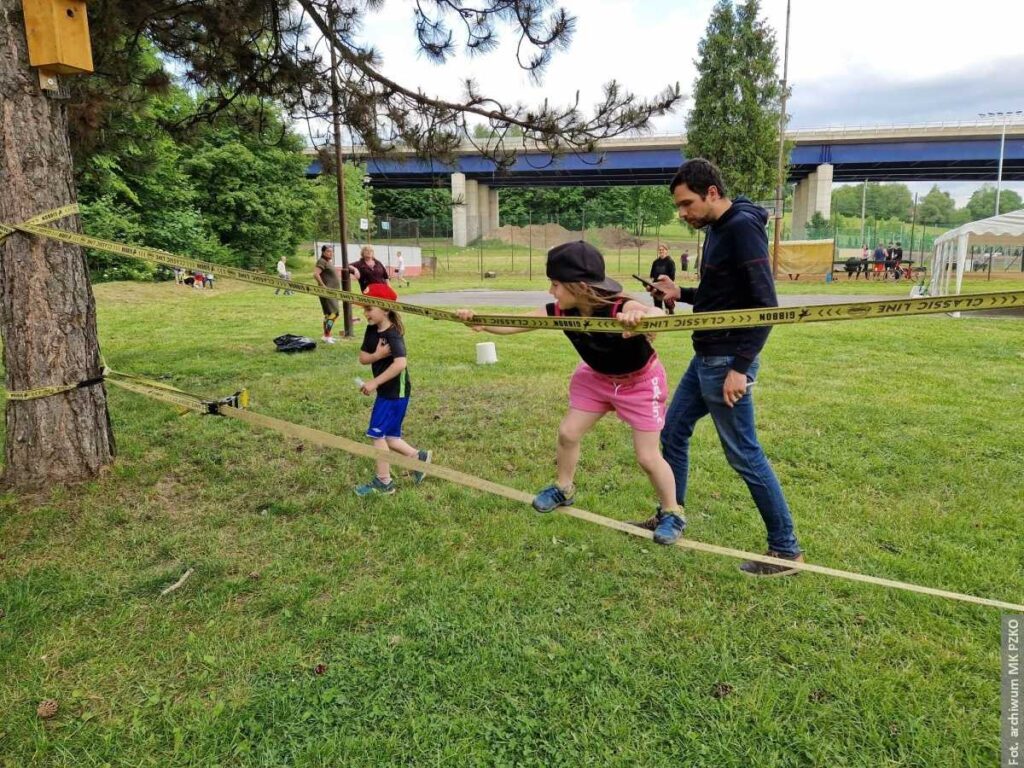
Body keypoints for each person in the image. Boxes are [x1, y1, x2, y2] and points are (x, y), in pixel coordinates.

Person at [456, 241, 683, 538]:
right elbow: (516, 323)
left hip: (639, 383)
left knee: (647, 457)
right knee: (568, 433)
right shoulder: (560, 310)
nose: (551, 292)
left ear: (578, 286)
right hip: (596, 379)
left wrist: (639, 318)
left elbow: (657, 315)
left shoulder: (618, 306)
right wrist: (482, 322)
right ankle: (564, 488)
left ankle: (672, 513)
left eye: (555, 284)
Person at [652, 158, 804, 575]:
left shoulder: (740, 228)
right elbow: (722, 297)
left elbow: (764, 306)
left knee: (744, 454)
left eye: (686, 205)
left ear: (712, 193)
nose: (683, 214)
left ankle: (786, 551)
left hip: (726, 362)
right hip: (705, 357)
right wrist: (678, 290)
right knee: (674, 430)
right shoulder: (720, 229)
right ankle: (671, 513)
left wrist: (741, 367)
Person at [355, 282, 431, 496]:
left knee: (376, 434)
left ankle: (384, 482)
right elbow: (362, 358)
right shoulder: (371, 330)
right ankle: (418, 458)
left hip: (394, 392)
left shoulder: (393, 334)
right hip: (386, 392)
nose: (365, 313)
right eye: (364, 308)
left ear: (385, 308)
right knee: (389, 437)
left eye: (369, 308)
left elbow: (400, 363)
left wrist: (374, 382)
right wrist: (377, 356)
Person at [313, 244, 341, 344]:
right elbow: (316, 274)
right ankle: (327, 335)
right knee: (334, 314)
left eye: (332, 251)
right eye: (328, 251)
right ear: (323, 252)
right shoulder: (322, 261)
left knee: (328, 314)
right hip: (327, 292)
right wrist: (323, 286)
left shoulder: (327, 261)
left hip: (332, 292)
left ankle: (326, 336)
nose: (331, 253)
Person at [649, 244, 677, 315]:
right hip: (656, 287)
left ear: (666, 251)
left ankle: (671, 319)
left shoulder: (670, 262)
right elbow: (652, 276)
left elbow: (672, 277)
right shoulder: (655, 262)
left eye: (663, 250)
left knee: (669, 307)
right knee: (657, 307)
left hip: (666, 287)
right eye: (660, 250)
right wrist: (651, 285)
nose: (661, 251)